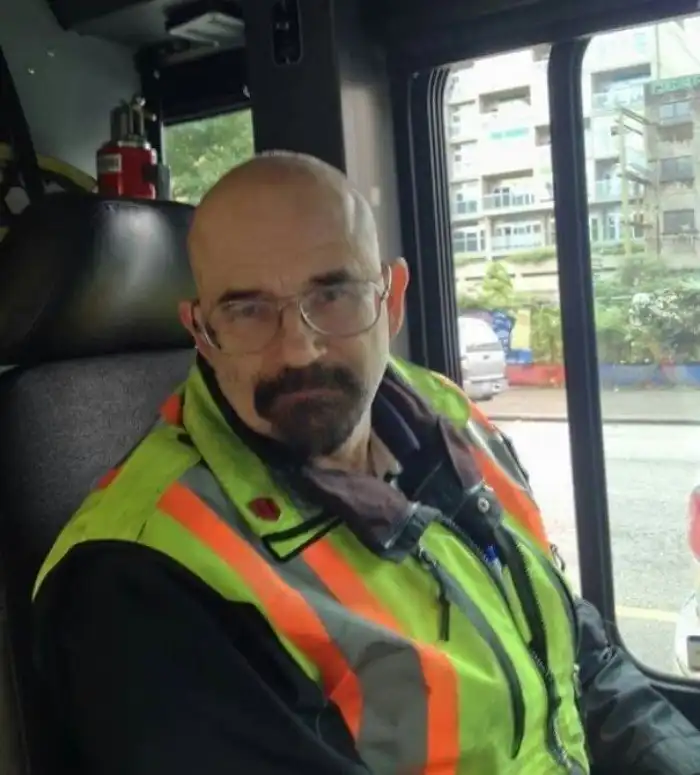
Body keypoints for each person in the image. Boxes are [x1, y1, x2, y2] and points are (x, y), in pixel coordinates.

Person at [33, 152, 700, 775]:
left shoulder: (448, 414)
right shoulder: (138, 581)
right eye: (248, 310)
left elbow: (575, 652)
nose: (299, 349)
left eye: (333, 295)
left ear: (393, 297)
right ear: (202, 333)